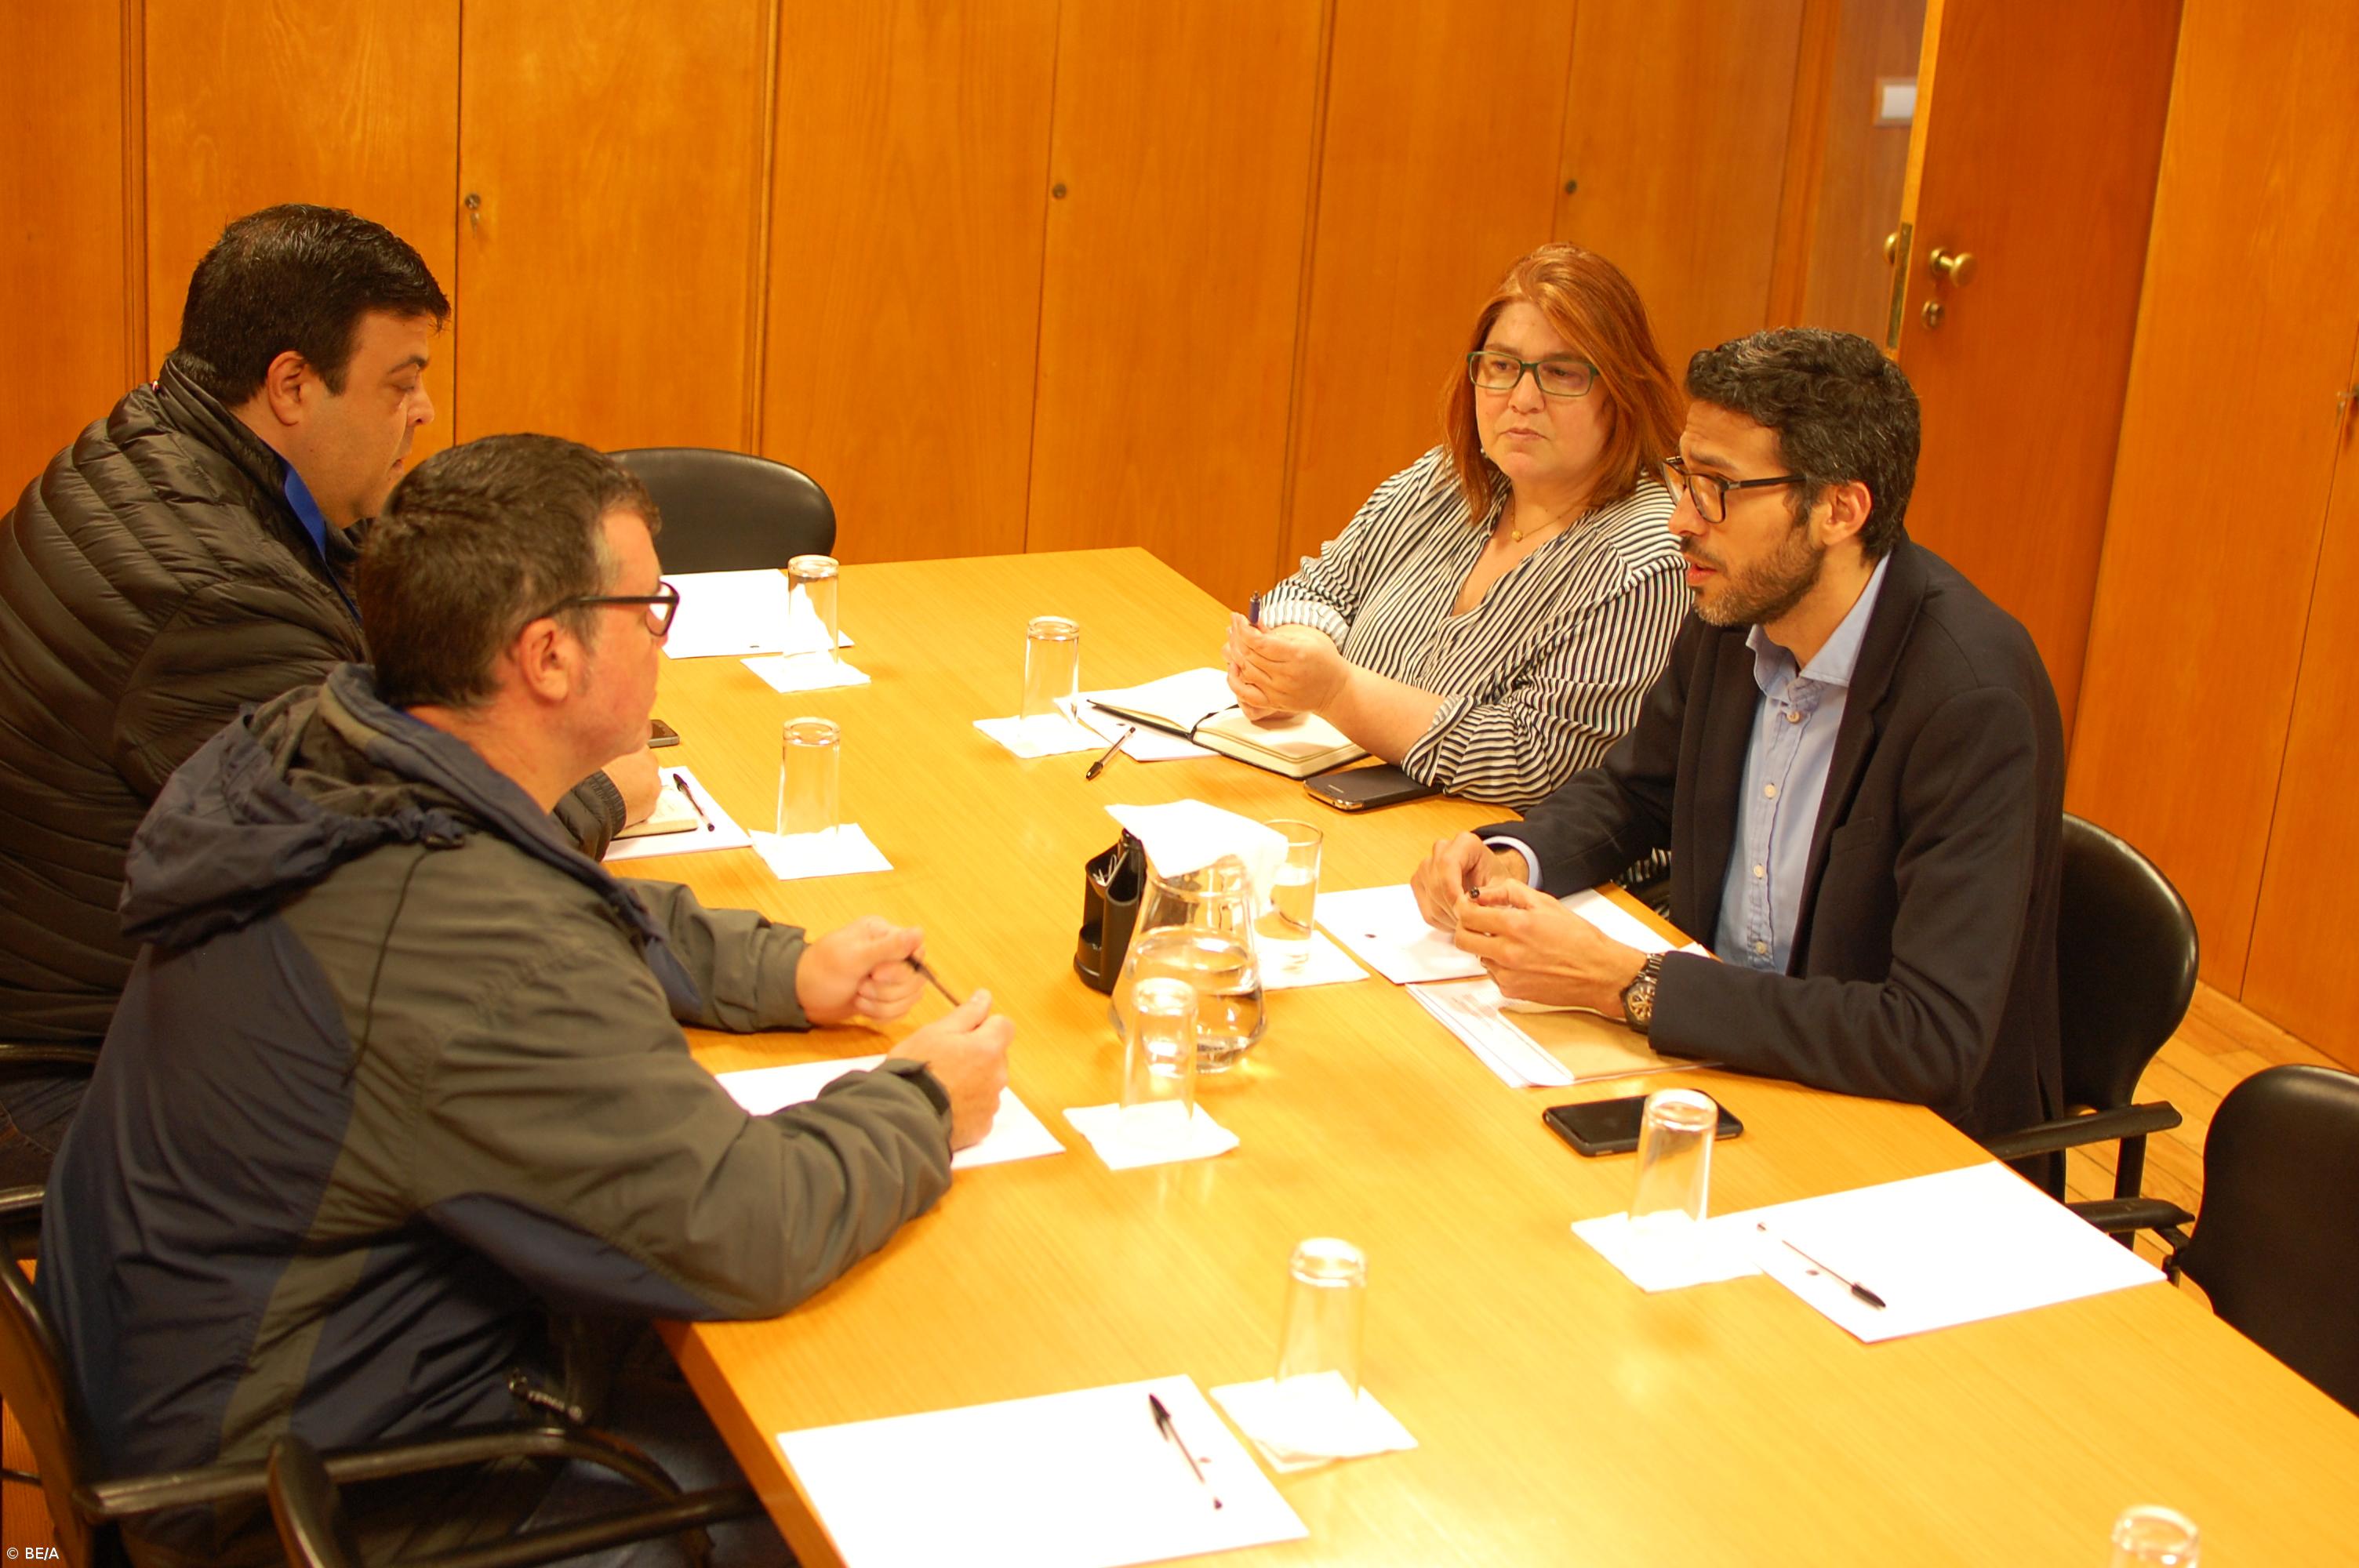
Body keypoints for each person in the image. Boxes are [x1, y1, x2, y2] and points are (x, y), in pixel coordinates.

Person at [36, 434, 1013, 1563]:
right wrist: (922, 1103)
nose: (662, 636)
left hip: (231, 1389)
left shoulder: (327, 751)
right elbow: (744, 1223)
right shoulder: (472, 942)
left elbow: (543, 892)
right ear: (548, 656)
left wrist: (781, 970)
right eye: (649, 608)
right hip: (329, 1501)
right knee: (857, 1486)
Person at [0, 204, 652, 1183]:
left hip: (97, 999)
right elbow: (406, 909)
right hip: (84, 1077)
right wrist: (601, 787)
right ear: (293, 385)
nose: (423, 413)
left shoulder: (157, 452)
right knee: (567, 1153)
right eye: (403, 382)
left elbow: (357, 630)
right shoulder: (212, 595)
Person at [1412, 328, 2063, 1142]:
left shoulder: (1968, 699)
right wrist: (1512, 854)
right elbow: (1634, 790)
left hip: (1890, 1134)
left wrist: (1633, 983)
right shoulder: (1736, 609)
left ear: (1838, 508)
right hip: (1711, 1066)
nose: (1681, 519)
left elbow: (1927, 1034)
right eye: (1684, 476)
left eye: (1716, 487)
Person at [1223, 243, 1687, 809]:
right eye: (1502, 367)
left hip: (1501, 863)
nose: (1522, 399)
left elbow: (1536, 761)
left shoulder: (1646, 559)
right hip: (1351, 807)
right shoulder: (1450, 479)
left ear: (1621, 392)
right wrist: (1290, 658)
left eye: (1561, 373)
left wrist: (1335, 691)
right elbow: (1320, 588)